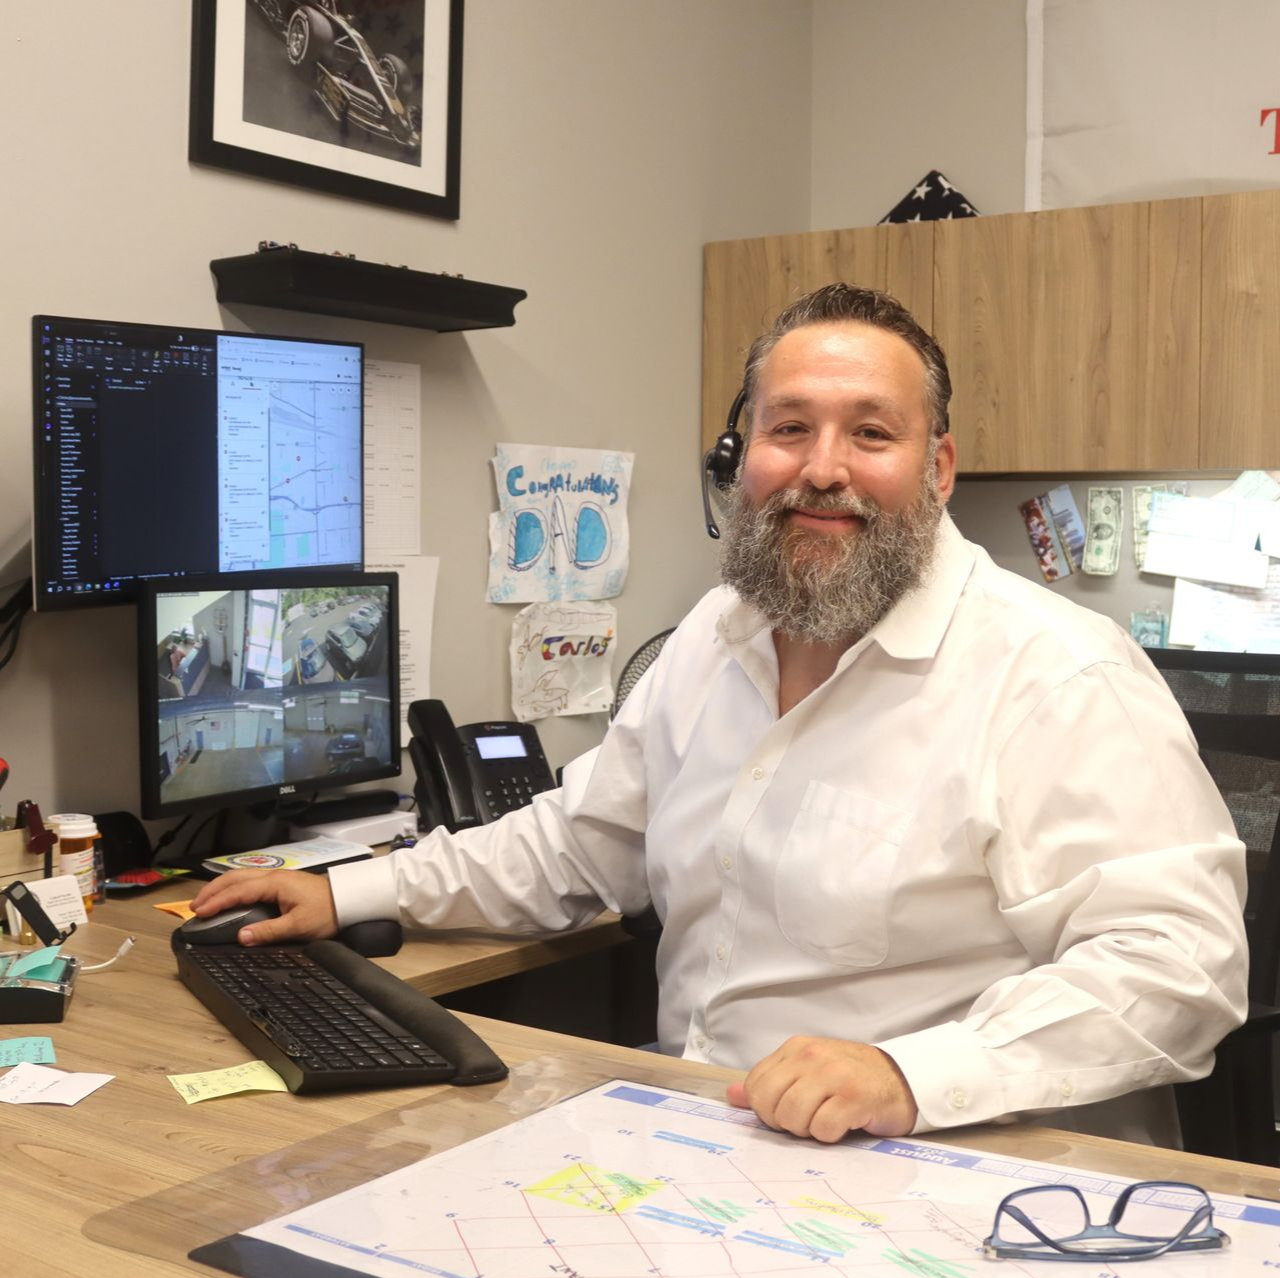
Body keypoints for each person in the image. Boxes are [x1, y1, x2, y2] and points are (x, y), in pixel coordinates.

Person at [192, 283, 1247, 1147]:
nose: (821, 467)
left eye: (868, 432)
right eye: (788, 428)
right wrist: (349, 888)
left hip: (941, 1168)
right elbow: (577, 841)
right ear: (741, 458)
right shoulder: (715, 634)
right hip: (701, 1140)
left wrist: (907, 1072)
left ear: (935, 470)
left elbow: (1175, 962)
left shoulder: (1052, 671)